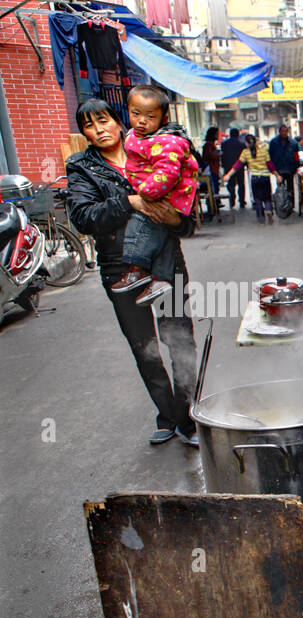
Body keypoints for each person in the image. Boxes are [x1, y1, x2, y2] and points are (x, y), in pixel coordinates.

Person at [65, 97, 199, 448]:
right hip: (119, 267)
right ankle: (167, 415)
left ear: (118, 121)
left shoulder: (153, 148)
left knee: (180, 339)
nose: (100, 129)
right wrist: (129, 201)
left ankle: (188, 417)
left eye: (104, 120)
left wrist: (177, 219)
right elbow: (83, 217)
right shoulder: (82, 167)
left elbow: (187, 219)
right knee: (145, 347)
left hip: (167, 263)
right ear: (85, 134)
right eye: (90, 125)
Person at [108, 85, 200, 305]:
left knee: (146, 225)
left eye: (150, 116)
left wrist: (147, 194)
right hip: (112, 258)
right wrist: (130, 200)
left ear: (163, 118)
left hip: (164, 196)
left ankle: (138, 269)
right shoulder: (133, 138)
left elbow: (168, 172)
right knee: (160, 234)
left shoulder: (167, 141)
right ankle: (160, 279)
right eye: (135, 114)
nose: (141, 121)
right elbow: (86, 215)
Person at [222, 132, 280, 224]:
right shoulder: (264, 151)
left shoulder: (245, 153)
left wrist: (228, 175)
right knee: (267, 197)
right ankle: (269, 210)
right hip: (265, 177)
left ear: (247, 143)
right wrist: (277, 175)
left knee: (258, 198)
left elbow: (238, 165)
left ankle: (261, 217)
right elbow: (270, 165)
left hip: (255, 178)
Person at [267, 124, 299, 213]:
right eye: (282, 131)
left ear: (288, 132)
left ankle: (291, 206)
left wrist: (296, 167)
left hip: (289, 169)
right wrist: (272, 169)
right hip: (278, 169)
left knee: (290, 188)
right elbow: (270, 156)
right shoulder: (273, 142)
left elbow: (296, 156)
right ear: (279, 132)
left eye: (286, 131)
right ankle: (280, 204)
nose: (284, 133)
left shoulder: (293, 143)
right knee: (280, 188)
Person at [220, 125, 246, 209]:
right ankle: (241, 201)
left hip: (228, 167)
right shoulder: (241, 144)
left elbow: (222, 156)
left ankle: (232, 200)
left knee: (231, 184)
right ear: (238, 135)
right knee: (241, 184)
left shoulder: (224, 144)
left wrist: (223, 165)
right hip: (239, 167)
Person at [201, 126, 221, 213]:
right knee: (213, 189)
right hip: (211, 170)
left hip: (213, 170)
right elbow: (209, 155)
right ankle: (213, 207)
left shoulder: (210, 144)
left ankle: (214, 206)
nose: (217, 135)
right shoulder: (209, 145)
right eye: (216, 134)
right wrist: (217, 154)